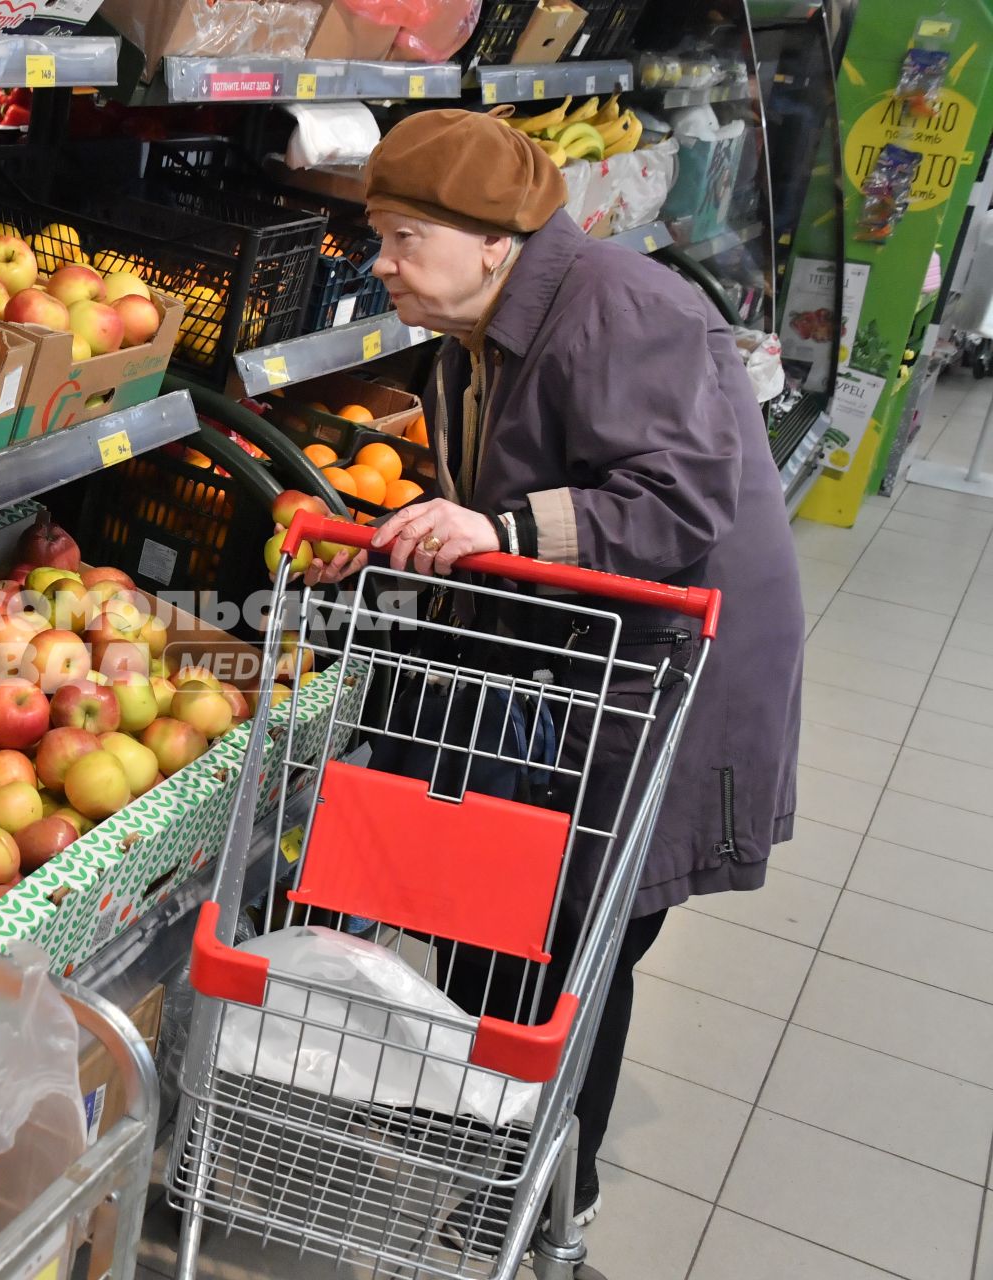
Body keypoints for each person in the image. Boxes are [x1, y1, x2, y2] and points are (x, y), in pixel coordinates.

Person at [307, 110, 804, 1228]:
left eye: (397, 237)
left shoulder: (628, 312)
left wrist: (506, 534)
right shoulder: (477, 331)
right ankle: (504, 1143)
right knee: (513, 924)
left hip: (669, 681)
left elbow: (677, 503)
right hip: (575, 668)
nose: (378, 264)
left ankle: (538, 1196)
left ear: (491, 240)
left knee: (579, 943)